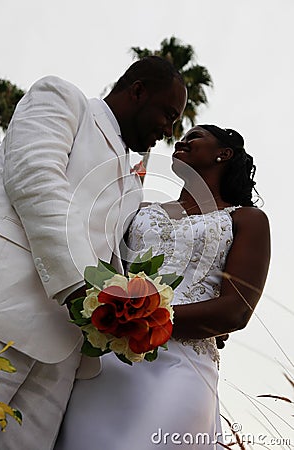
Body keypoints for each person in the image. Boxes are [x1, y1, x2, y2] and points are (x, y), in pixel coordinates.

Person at [0, 56, 187, 449]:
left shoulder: (134, 189)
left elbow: (113, 258)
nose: (168, 130)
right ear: (137, 91)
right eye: (168, 114)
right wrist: (82, 289)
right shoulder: (62, 98)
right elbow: (35, 179)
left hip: (66, 354)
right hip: (4, 315)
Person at [55, 124, 270, 450]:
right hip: (112, 360)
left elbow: (236, 310)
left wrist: (144, 318)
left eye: (195, 137)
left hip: (183, 363)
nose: (182, 141)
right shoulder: (139, 210)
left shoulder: (245, 219)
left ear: (223, 154)